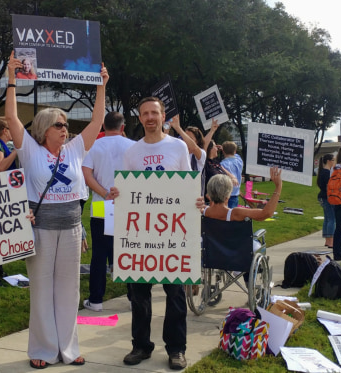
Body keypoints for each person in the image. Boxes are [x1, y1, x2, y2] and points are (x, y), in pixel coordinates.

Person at [5, 50, 108, 369]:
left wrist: (101, 85)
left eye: (66, 124)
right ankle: (43, 350)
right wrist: (11, 79)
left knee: (68, 290)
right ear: (44, 129)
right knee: (41, 289)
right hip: (41, 230)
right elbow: (10, 119)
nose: (65, 128)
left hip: (72, 228)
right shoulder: (30, 151)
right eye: (59, 124)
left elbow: (97, 120)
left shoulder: (75, 148)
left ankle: (68, 347)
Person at [120, 97, 192, 371]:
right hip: (140, 234)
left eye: (155, 113)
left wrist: (193, 205)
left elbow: (187, 185)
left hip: (172, 232)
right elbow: (127, 190)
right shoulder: (132, 152)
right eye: (145, 114)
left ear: (163, 116)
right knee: (139, 294)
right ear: (139, 118)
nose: (150, 117)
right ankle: (141, 345)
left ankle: (176, 349)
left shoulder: (178, 146)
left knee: (174, 294)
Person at [81, 112, 133, 313]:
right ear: (122, 126)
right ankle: (132, 296)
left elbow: (87, 174)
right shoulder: (133, 146)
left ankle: (96, 299)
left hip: (101, 205)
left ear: (103, 126)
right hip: (127, 204)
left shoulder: (95, 145)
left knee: (99, 254)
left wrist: (103, 192)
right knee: (128, 250)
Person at [203, 168, 282, 233]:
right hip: (233, 250)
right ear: (228, 195)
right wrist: (278, 187)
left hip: (210, 251)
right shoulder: (235, 213)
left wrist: (211, 200)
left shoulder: (202, 210)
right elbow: (266, 214)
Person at [317, 154, 336, 248]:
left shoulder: (322, 171)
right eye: (333, 160)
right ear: (329, 161)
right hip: (327, 197)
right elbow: (329, 186)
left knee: (327, 218)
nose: (334, 162)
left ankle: (327, 240)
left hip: (322, 197)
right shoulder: (327, 172)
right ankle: (331, 241)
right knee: (332, 219)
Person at [219, 142, 243, 207]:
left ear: (223, 152)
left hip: (226, 195)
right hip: (236, 194)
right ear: (235, 151)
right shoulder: (239, 160)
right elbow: (236, 154)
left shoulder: (223, 164)